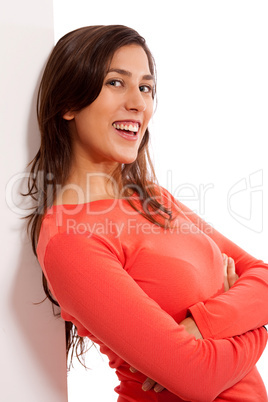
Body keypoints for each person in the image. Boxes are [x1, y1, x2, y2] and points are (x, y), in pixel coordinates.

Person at [26, 25, 268, 401]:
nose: (138, 103)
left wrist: (204, 325)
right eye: (115, 83)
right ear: (69, 104)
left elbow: (263, 278)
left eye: (145, 87)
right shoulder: (69, 238)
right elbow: (196, 379)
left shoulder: (154, 198)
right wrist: (255, 327)